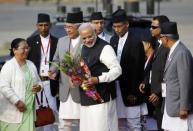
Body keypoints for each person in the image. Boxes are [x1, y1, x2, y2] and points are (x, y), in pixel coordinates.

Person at [78, 22, 121, 131]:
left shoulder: (105, 47)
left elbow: (117, 70)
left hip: (102, 98)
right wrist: (75, 79)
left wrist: (98, 79)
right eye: (84, 38)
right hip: (86, 98)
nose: (87, 40)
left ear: (95, 33)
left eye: (90, 36)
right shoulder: (81, 47)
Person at [110, 9, 147, 131]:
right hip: (117, 88)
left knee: (134, 124)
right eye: (114, 26)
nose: (116, 29)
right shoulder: (113, 40)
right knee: (119, 123)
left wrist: (133, 93)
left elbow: (138, 70)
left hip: (131, 90)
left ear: (127, 24)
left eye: (119, 26)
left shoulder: (135, 42)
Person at [48, 11, 83, 131]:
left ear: (78, 27)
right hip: (65, 89)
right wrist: (53, 70)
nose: (67, 30)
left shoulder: (86, 41)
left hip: (81, 90)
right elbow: (56, 59)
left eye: (70, 27)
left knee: (84, 122)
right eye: (66, 27)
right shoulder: (61, 41)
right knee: (64, 124)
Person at [0, 38, 42, 131]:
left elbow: (39, 81)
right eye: (23, 48)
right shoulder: (8, 66)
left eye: (28, 48)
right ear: (15, 50)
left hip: (29, 109)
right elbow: (4, 87)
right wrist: (17, 102)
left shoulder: (31, 64)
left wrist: (39, 87)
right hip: (15, 110)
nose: (27, 50)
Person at [27, 13, 59, 131]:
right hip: (35, 83)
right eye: (41, 25)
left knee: (49, 113)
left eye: (46, 25)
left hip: (49, 82)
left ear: (50, 25)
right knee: (35, 113)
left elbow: (60, 63)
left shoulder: (56, 41)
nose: (43, 28)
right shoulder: (30, 41)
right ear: (37, 26)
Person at [160, 21, 193, 131]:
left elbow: (186, 82)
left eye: (161, 37)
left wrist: (184, 107)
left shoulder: (181, 52)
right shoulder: (173, 51)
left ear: (166, 38)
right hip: (171, 104)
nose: (160, 40)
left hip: (179, 107)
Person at [150, 15, 170, 131]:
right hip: (155, 95)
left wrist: (157, 92)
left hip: (162, 96)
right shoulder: (158, 44)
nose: (150, 29)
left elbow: (166, 73)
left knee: (163, 125)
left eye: (153, 26)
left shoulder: (167, 47)